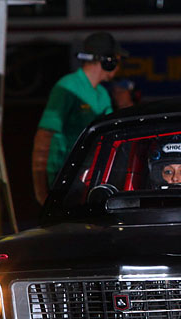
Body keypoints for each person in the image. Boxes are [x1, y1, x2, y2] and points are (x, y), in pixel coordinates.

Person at [32, 32, 127, 205]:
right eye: (117, 60)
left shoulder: (102, 94)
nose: (118, 66)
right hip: (64, 178)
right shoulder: (67, 87)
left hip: (91, 177)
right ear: (107, 60)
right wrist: (41, 188)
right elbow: (45, 135)